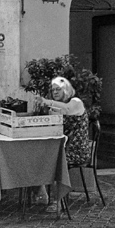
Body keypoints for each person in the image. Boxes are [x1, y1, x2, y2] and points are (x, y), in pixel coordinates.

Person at [35, 76, 90, 212]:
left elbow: (66, 110)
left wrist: (47, 102)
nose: (55, 92)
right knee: (34, 156)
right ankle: (42, 193)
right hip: (60, 147)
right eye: (53, 90)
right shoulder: (56, 107)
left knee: (54, 161)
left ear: (66, 89)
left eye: (58, 89)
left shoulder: (76, 102)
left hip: (76, 149)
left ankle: (59, 201)